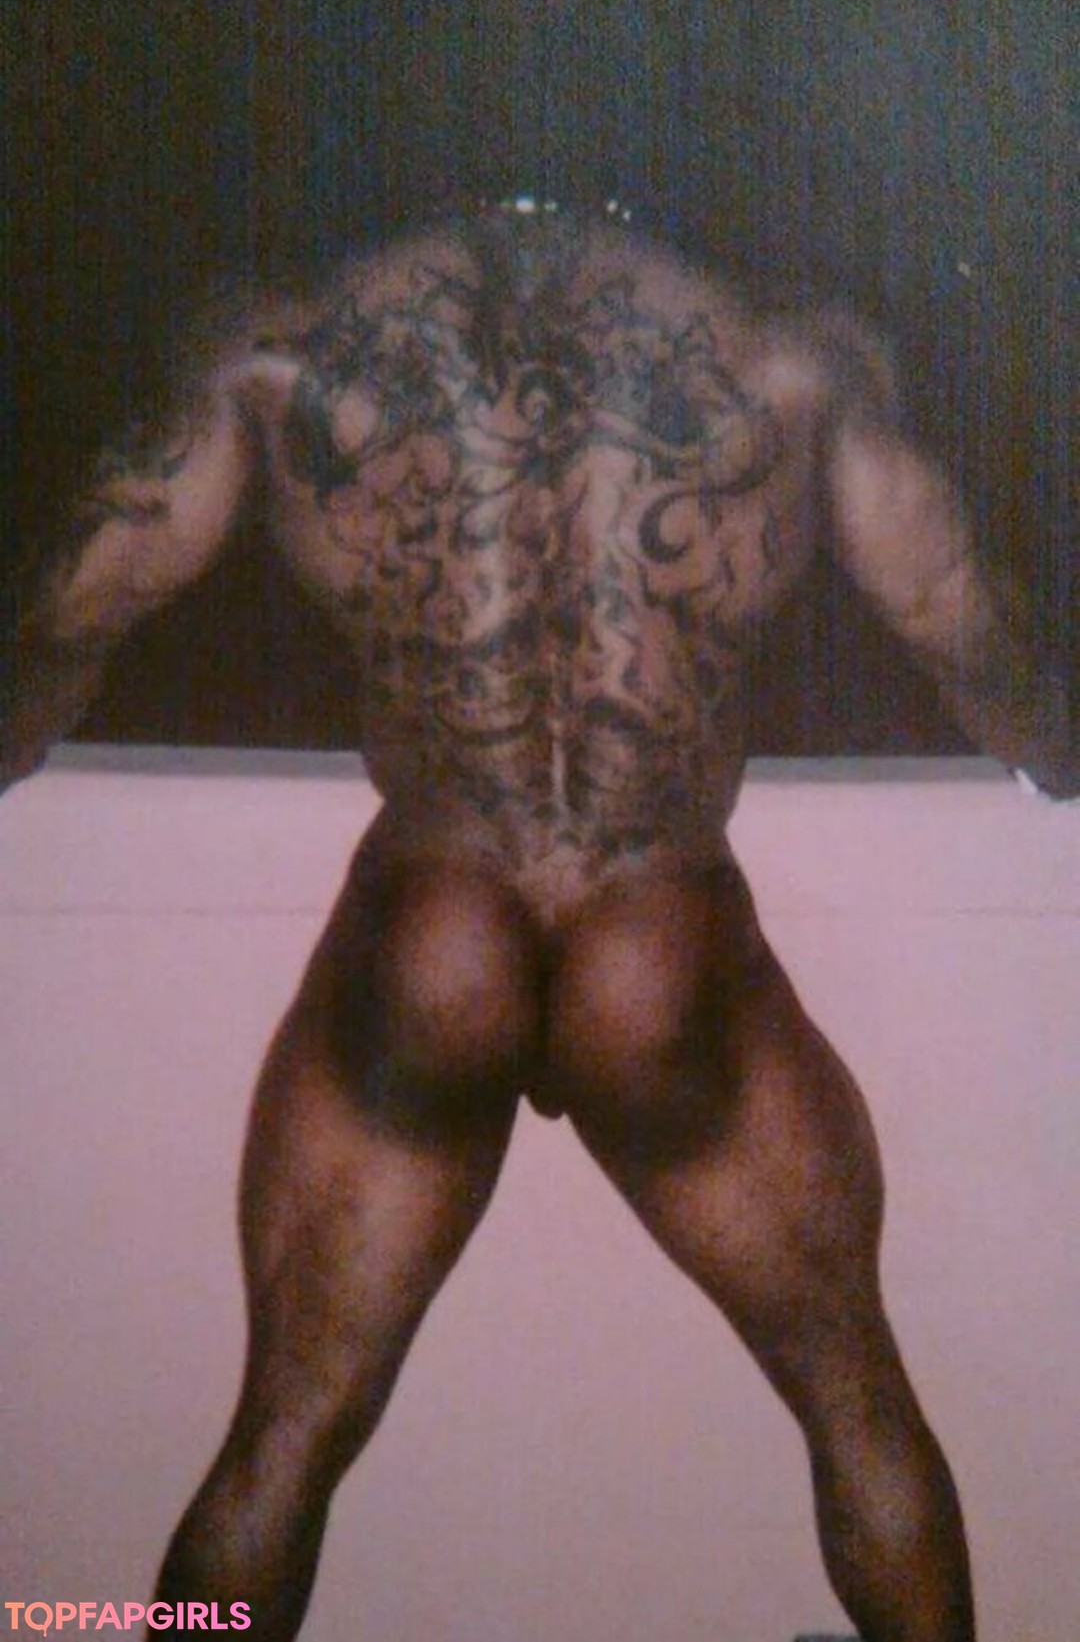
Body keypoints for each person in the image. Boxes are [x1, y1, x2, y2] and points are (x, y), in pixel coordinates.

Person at [3, 204, 1076, 1642]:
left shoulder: (288, 346)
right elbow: (950, 609)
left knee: (286, 1434)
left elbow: (92, 593)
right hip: (659, 935)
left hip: (436, 928)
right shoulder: (787, 357)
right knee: (854, 1396)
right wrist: (1058, 754)